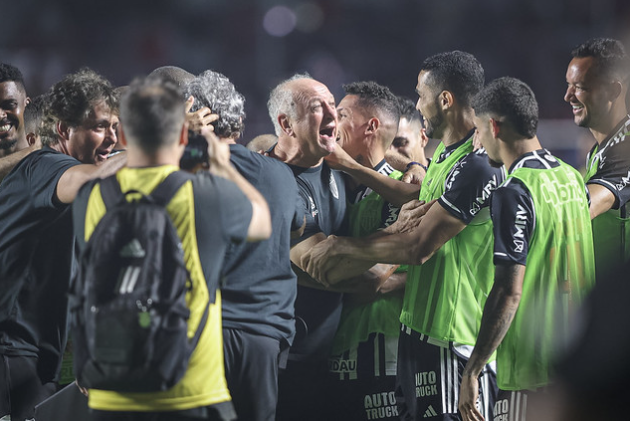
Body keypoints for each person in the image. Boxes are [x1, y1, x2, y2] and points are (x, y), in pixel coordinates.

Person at [302, 51, 504, 420]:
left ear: (445, 100)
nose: (416, 104)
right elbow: (419, 197)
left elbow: (418, 246)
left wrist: (340, 247)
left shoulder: (479, 163)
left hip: (453, 336)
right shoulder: (446, 155)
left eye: (421, 95)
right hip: (420, 332)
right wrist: (355, 166)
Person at [72, 75, 271, 421]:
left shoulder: (89, 197)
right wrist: (222, 166)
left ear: (120, 136)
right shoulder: (205, 194)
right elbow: (262, 220)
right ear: (183, 134)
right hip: (190, 391)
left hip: (110, 392)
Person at [458, 77, 595, 421]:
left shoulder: (514, 191)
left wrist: (473, 370)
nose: (478, 140)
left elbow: (508, 292)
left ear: (494, 125)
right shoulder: (571, 177)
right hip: (577, 366)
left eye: (478, 130)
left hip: (531, 375)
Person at [0, 68, 126, 421]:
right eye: (100, 127)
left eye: (116, 128)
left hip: (42, 360)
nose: (112, 139)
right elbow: (92, 179)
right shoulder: (45, 167)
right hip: (11, 355)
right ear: (63, 130)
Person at [185, 69, 304, 421]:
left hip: (203, 334)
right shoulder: (281, 174)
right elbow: (297, 225)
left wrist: (180, 139)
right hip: (263, 335)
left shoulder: (182, 167)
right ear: (237, 126)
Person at [263, 73, 349, 421]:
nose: (333, 114)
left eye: (334, 105)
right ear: (286, 123)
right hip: (283, 365)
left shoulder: (336, 162)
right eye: (319, 107)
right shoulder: (270, 180)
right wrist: (403, 259)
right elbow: (322, 265)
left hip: (331, 365)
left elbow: (392, 144)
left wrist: (415, 164)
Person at [326, 81, 408, 421]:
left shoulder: (399, 192)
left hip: (382, 352)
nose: (332, 122)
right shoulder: (341, 185)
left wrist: (317, 276)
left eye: (341, 115)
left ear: (371, 127)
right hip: (338, 351)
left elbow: (375, 279)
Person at [564, 37, 630, 279]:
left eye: (580, 87)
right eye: (568, 85)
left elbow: (579, 207)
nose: (568, 96)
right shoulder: (600, 150)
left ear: (614, 90)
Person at [0, 63, 39, 181]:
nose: (0, 115)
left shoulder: (50, 166)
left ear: (27, 105)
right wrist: (34, 151)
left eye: (9, 105)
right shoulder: (41, 150)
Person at [386, 97, 430, 175]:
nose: (390, 152)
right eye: (384, 145)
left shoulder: (448, 177)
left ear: (422, 138)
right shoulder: (377, 184)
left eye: (400, 142)